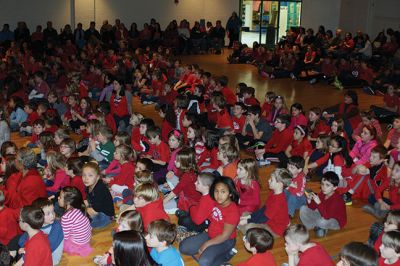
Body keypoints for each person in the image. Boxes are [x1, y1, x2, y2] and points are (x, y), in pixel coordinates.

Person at [180, 176, 240, 266]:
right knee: (183, 247)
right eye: (216, 191)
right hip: (211, 234)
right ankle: (212, 252)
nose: (219, 195)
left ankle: (228, 254)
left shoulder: (233, 212)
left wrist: (205, 245)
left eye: (223, 192)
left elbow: (224, 236)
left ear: (230, 193)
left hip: (225, 240)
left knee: (204, 262)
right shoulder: (215, 201)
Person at [239, 168, 291, 238]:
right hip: (267, 222)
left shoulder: (278, 200)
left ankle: (245, 229)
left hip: (275, 230)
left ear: (280, 184)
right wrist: (249, 216)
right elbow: (263, 209)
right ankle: (243, 227)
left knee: (249, 226)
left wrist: (247, 221)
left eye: (271, 180)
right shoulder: (273, 193)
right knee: (245, 213)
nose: (268, 180)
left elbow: (264, 218)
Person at [300, 172, 347, 238]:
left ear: (335, 187)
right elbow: (313, 208)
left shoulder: (337, 200)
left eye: (327, 185)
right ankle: (313, 226)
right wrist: (309, 200)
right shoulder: (322, 193)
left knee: (322, 221)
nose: (324, 187)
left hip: (335, 221)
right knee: (303, 208)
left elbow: (327, 217)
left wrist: (319, 203)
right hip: (323, 214)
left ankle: (319, 227)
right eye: (322, 184)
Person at [18, 198, 64, 265]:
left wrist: (27, 250)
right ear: (38, 216)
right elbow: (22, 239)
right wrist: (25, 247)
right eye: (48, 214)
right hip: (38, 253)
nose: (52, 215)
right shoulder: (37, 225)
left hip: (52, 260)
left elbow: (49, 246)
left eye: (53, 211)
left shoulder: (57, 226)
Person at [58, 186, 92, 257]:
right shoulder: (78, 209)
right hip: (86, 238)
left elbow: (65, 237)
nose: (58, 198)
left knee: (58, 239)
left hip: (78, 243)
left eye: (60, 197)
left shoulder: (66, 217)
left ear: (68, 202)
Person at [82, 162, 115, 228]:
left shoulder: (100, 188)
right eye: (84, 175)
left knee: (86, 224)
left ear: (97, 177)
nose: (86, 178)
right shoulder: (89, 185)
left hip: (105, 215)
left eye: (90, 175)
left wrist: (87, 206)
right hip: (96, 209)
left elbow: (95, 210)